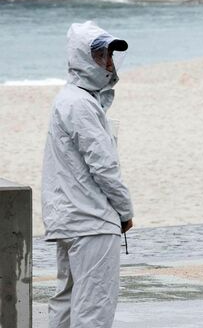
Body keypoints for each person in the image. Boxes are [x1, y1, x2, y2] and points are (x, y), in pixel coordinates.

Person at [41, 21, 134, 328]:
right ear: (81, 57)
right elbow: (104, 166)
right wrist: (125, 211)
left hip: (69, 218)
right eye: (100, 55)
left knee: (66, 304)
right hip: (91, 220)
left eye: (109, 55)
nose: (108, 63)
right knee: (94, 307)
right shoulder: (81, 103)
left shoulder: (68, 99)